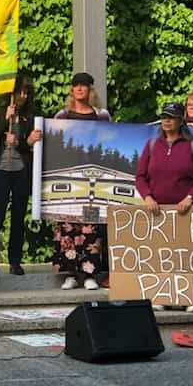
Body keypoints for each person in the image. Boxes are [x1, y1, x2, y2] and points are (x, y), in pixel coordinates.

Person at [135, 102, 193, 312]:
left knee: (187, 255)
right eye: (164, 116)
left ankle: (190, 298)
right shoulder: (151, 145)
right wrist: (148, 197)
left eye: (171, 117)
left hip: (185, 211)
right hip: (157, 212)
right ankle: (161, 296)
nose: (167, 120)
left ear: (180, 121)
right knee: (160, 255)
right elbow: (140, 177)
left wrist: (190, 197)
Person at [52, 72, 111, 291]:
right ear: (72, 90)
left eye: (84, 85)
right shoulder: (62, 116)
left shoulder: (102, 116)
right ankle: (70, 274)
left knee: (91, 228)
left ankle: (90, 275)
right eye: (76, 85)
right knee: (68, 227)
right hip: (68, 178)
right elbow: (53, 144)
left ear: (90, 90)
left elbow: (109, 142)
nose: (79, 89)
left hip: (93, 181)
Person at [0, 75, 42, 276]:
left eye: (25, 92)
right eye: (19, 92)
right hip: (0, 171)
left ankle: (15, 261)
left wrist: (23, 142)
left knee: (18, 217)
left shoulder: (30, 117)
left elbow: (27, 144)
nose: (22, 96)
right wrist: (5, 118)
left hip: (20, 172)